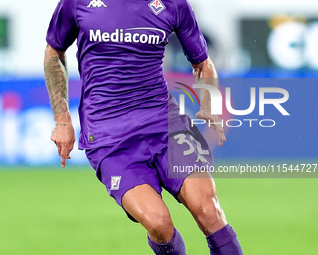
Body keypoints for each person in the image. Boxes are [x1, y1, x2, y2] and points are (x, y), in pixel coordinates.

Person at [44, 0, 243, 254]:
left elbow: (202, 63)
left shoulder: (173, 4)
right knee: (159, 224)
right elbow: (54, 52)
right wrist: (62, 119)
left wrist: (208, 99)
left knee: (208, 210)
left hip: (164, 124)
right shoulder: (77, 3)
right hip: (109, 136)